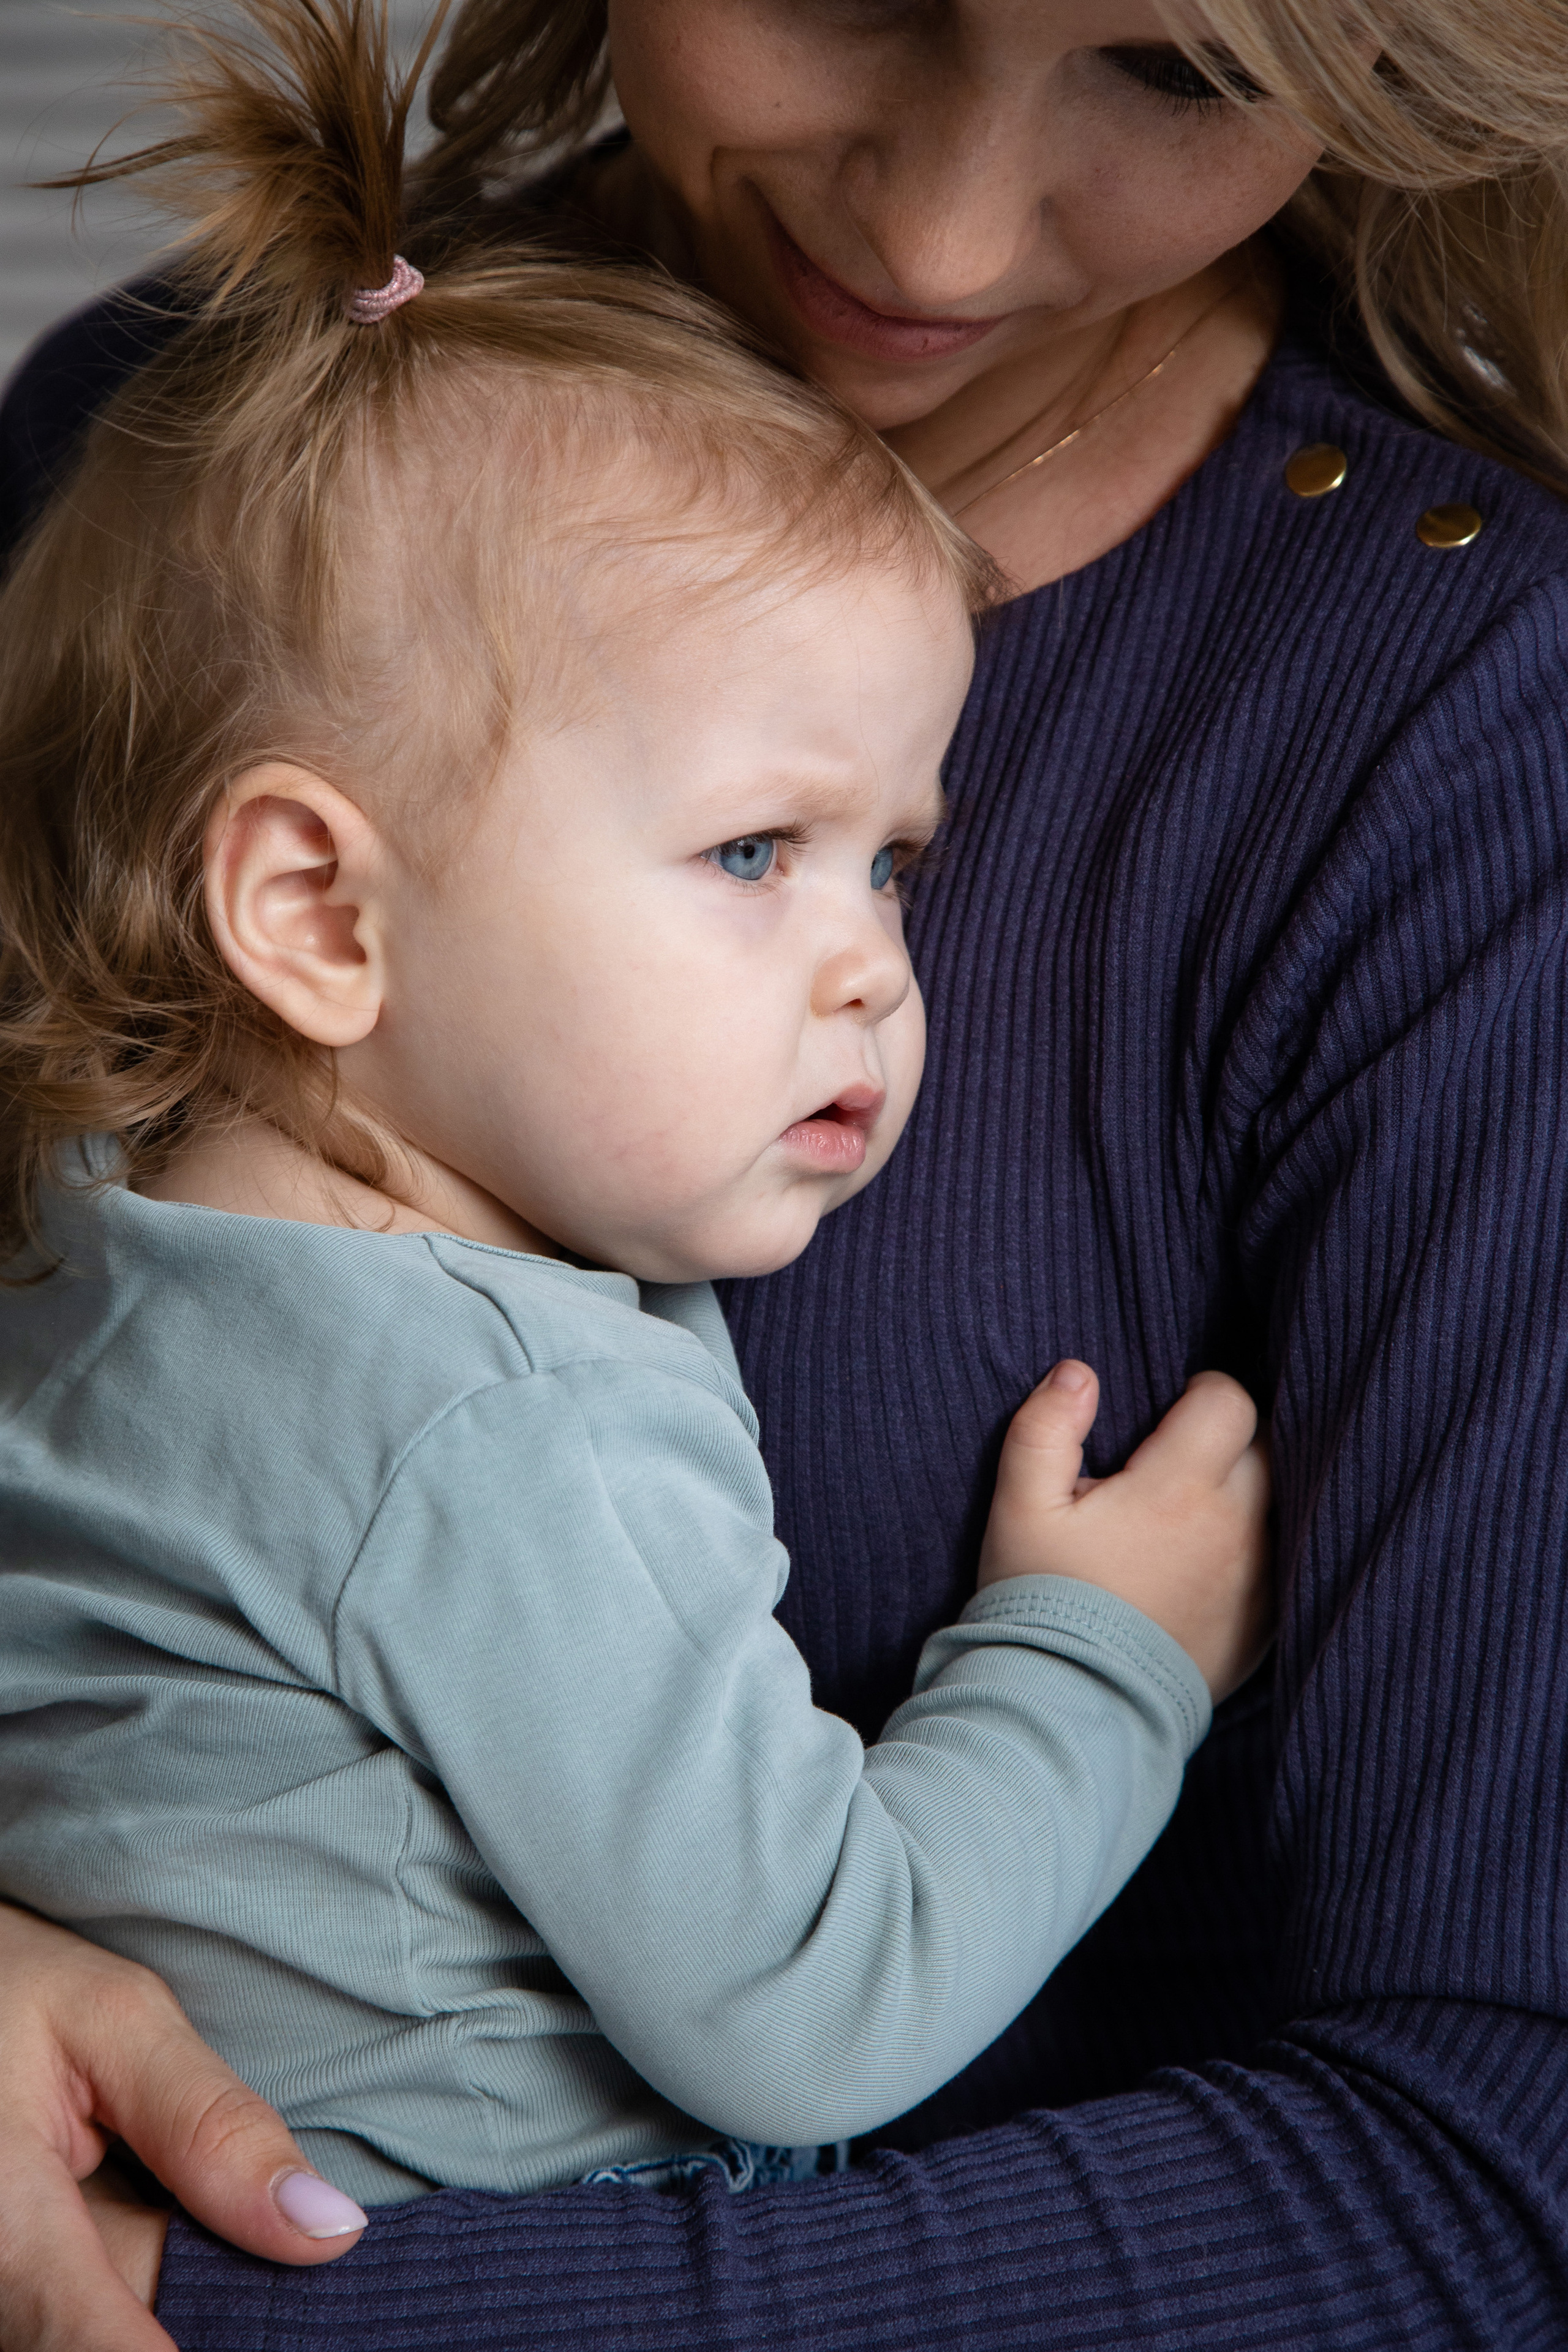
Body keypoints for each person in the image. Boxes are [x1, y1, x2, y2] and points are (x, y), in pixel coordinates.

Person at [1, 0, 1566, 2345]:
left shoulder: (1468, 715)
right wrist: (1092, 1654)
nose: (934, 225)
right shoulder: (175, 436)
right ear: (313, 915)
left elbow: (1492, 2176)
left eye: (1182, 69)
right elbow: (806, 2006)